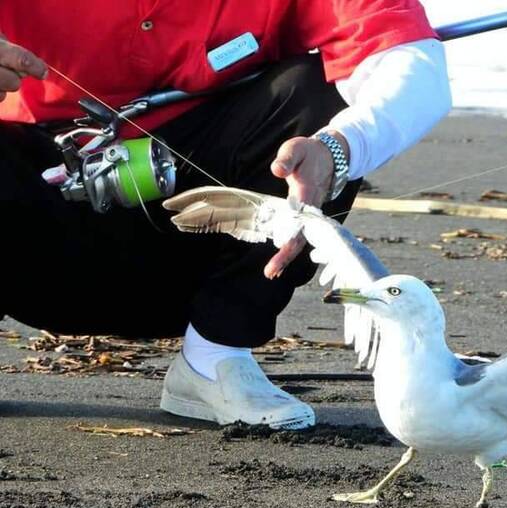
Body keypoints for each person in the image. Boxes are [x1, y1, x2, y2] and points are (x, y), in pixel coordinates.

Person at [0, 2, 451, 429]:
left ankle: (214, 358)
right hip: (37, 224)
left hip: (203, 246)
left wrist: (339, 148)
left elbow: (409, 63)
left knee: (317, 95)